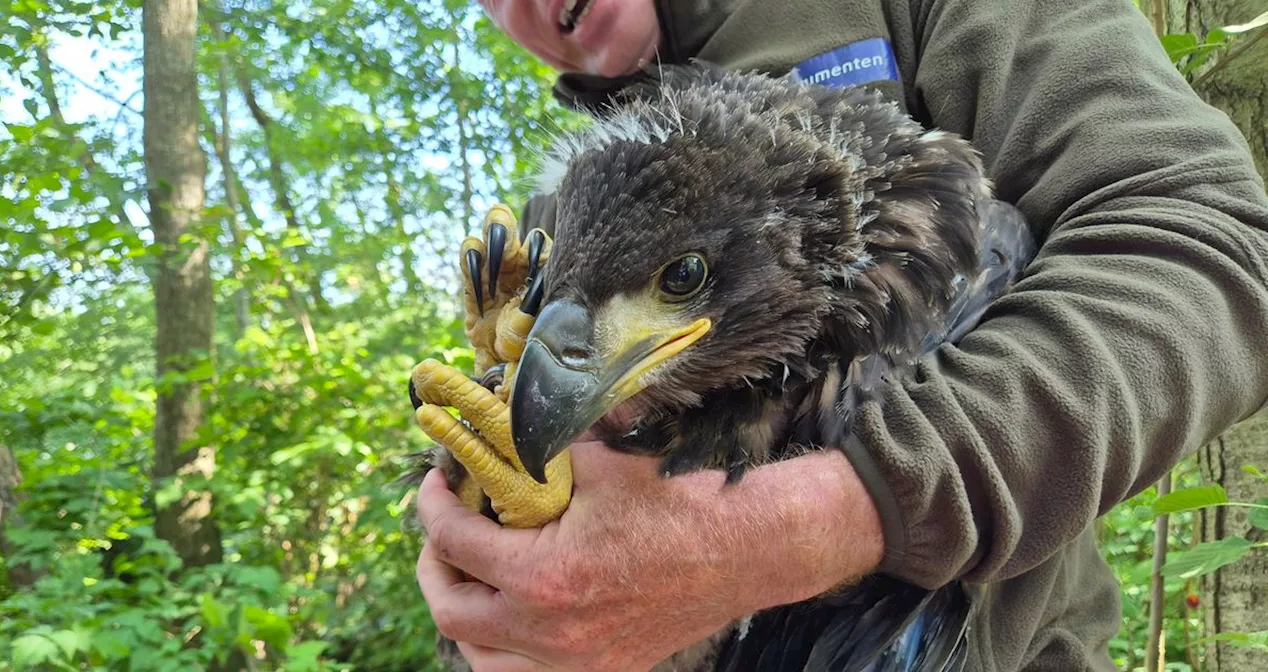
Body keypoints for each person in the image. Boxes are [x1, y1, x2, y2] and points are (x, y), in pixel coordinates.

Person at [415, 0, 1268, 669]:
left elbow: (1217, 247)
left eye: (676, 283)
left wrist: (821, 518)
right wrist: (514, 574)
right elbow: (531, 585)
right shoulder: (547, 218)